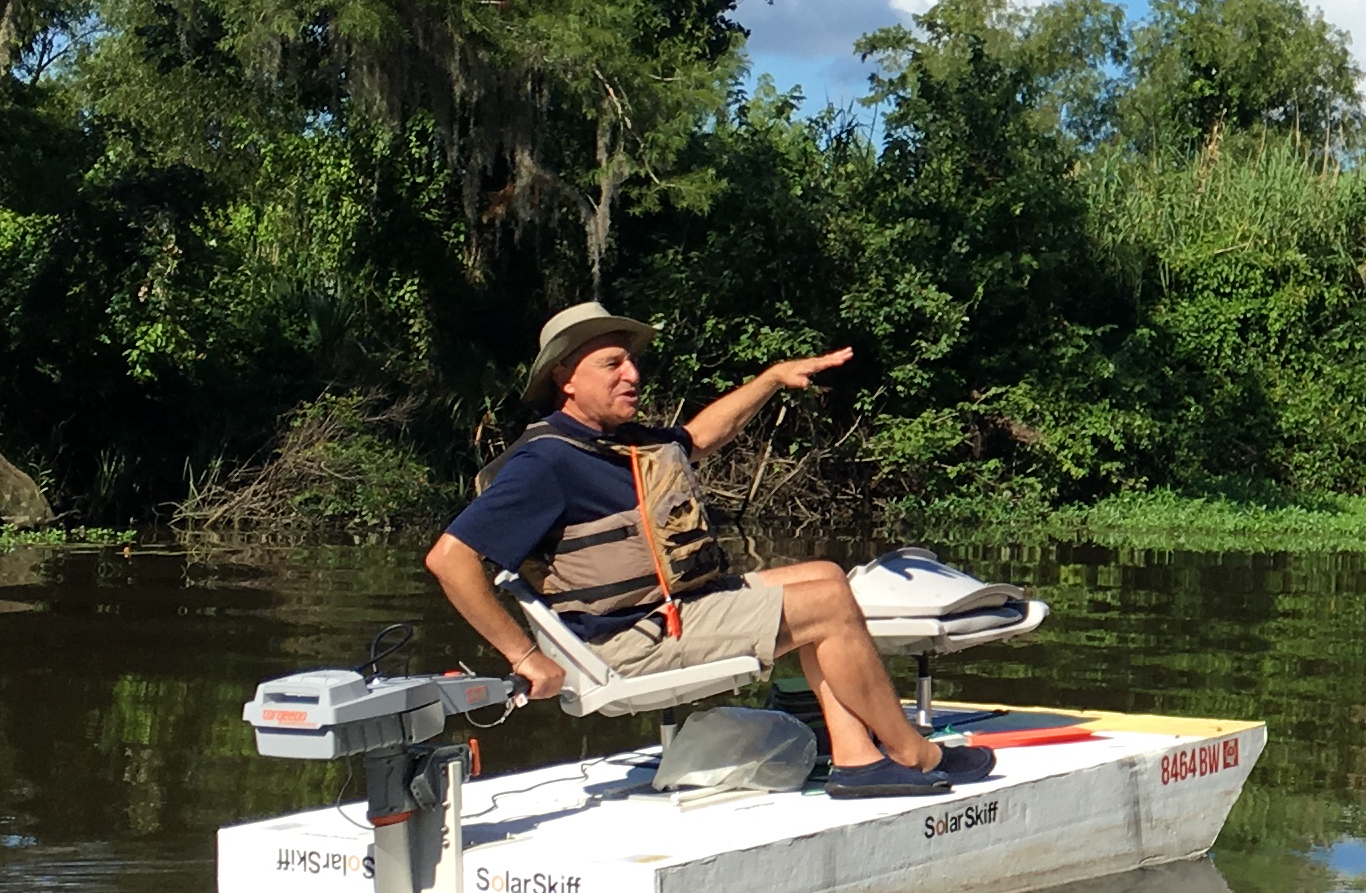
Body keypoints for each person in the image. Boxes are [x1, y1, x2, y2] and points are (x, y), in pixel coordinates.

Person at [424, 301, 990, 798]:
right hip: (628, 641)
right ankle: (913, 753)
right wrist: (525, 658)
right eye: (612, 364)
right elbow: (449, 559)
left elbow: (700, 437)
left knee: (826, 576)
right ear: (565, 378)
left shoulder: (620, 445)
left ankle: (858, 758)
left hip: (672, 610)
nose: (632, 374)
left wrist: (770, 379)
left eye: (632, 361)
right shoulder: (546, 461)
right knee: (827, 609)